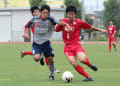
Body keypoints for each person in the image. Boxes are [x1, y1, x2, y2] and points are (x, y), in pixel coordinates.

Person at [55, 5, 106, 81]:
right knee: (73, 63)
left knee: (82, 59)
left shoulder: (79, 22)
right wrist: (61, 24)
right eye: (69, 14)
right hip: (67, 47)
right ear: (67, 14)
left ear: (75, 14)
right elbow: (56, 29)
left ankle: (90, 65)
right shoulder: (63, 22)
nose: (71, 16)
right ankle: (88, 77)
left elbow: (90, 27)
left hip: (76, 45)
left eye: (72, 14)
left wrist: (100, 30)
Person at [22, 5, 58, 80]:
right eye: (44, 13)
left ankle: (51, 74)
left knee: (50, 58)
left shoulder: (50, 19)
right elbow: (27, 26)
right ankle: (40, 56)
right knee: (36, 58)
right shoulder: (34, 19)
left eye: (47, 13)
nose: (45, 14)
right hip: (36, 42)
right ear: (40, 13)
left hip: (45, 42)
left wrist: (61, 26)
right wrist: (26, 34)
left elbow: (57, 24)